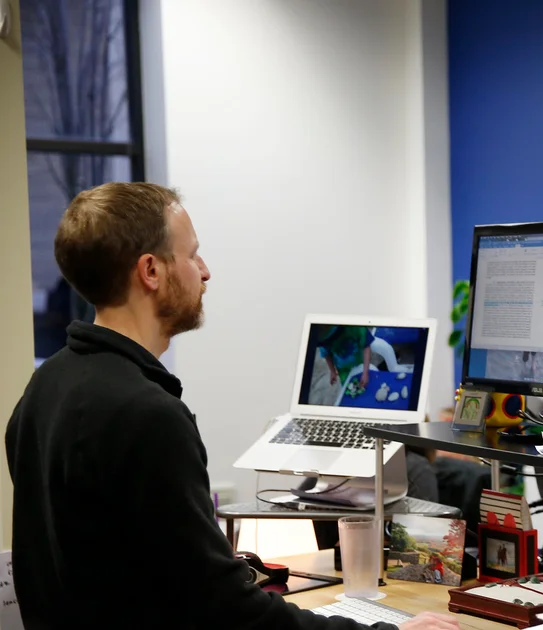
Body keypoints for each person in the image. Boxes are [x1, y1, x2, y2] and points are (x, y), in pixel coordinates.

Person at [5, 183, 459, 629]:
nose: (205, 272)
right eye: (192, 255)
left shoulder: (44, 387)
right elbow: (225, 611)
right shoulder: (146, 415)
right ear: (151, 271)